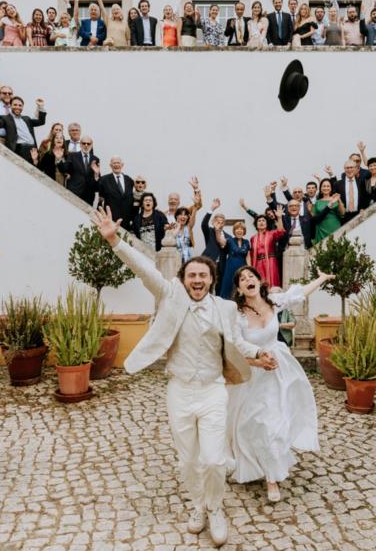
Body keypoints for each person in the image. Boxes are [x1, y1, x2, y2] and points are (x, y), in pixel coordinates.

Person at [92, 209, 276, 548]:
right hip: (179, 391)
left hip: (212, 392)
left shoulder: (224, 308)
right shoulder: (171, 296)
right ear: (183, 278)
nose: (197, 280)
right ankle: (198, 505)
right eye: (191, 274)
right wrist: (115, 241)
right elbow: (144, 269)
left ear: (210, 279)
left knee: (214, 459)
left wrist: (258, 355)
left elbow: (236, 342)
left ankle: (216, 508)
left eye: (203, 275)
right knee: (189, 460)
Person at [227, 267, 332, 503]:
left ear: (258, 280)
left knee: (273, 422)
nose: (248, 280)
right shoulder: (237, 315)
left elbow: (299, 294)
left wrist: (321, 279)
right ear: (240, 289)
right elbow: (234, 348)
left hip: (279, 371)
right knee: (252, 424)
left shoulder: (273, 301)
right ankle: (251, 463)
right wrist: (257, 362)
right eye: (242, 279)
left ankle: (271, 478)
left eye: (251, 276)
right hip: (252, 372)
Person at [0, 97, 47, 163]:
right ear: (10, 105)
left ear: (22, 107)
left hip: (33, 149)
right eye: (15, 105)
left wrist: (40, 106)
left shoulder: (26, 119)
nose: (17, 107)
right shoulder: (5, 118)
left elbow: (41, 121)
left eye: (20, 105)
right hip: (21, 149)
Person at [57, 136, 99, 204]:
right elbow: (65, 169)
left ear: (91, 145)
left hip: (89, 195)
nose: (86, 145)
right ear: (80, 144)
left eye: (88, 144)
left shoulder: (95, 159)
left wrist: (96, 174)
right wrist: (59, 159)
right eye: (84, 143)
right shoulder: (72, 156)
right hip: (74, 191)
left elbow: (96, 179)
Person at [248, 214, 287, 288]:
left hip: (270, 261)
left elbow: (281, 231)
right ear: (256, 224)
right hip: (258, 263)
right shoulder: (253, 238)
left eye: (263, 220)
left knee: (272, 283)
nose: (261, 222)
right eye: (259, 221)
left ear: (267, 223)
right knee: (260, 283)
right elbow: (252, 254)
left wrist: (279, 217)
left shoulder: (272, 234)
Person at [97, 156, 135, 227]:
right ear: (110, 165)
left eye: (118, 163)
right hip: (111, 219)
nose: (116, 165)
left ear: (122, 165)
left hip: (126, 220)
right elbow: (100, 197)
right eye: (114, 163)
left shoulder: (129, 180)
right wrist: (96, 175)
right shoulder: (104, 180)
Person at [217, 222, 250, 300]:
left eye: (241, 229)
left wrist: (250, 268)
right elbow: (221, 242)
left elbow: (248, 256)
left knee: (242, 285)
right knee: (228, 284)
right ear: (234, 231)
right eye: (237, 229)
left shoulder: (246, 242)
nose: (239, 230)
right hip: (231, 265)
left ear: (244, 231)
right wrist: (218, 230)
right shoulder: (229, 240)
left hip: (242, 265)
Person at [311, 178, 343, 245]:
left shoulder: (336, 199)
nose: (326, 188)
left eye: (328, 186)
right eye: (324, 186)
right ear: (320, 188)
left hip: (334, 226)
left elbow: (343, 213)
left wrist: (339, 200)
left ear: (331, 188)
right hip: (321, 229)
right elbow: (314, 218)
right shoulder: (317, 202)